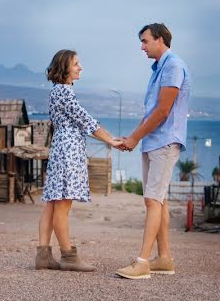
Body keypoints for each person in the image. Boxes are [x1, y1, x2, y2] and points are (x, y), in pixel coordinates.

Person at [115, 23, 190, 280]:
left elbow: (163, 110)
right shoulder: (159, 68)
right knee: (160, 199)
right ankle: (164, 258)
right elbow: (151, 111)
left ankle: (142, 262)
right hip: (153, 141)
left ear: (160, 40)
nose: (142, 47)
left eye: (145, 41)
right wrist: (134, 137)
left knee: (152, 201)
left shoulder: (173, 66)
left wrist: (136, 137)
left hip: (165, 141)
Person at [36, 49, 122, 272]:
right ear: (65, 67)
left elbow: (82, 122)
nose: (80, 67)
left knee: (52, 204)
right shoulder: (64, 93)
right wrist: (112, 141)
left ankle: (43, 255)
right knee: (62, 206)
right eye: (76, 63)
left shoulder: (57, 91)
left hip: (60, 148)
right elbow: (88, 122)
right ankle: (69, 257)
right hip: (68, 151)